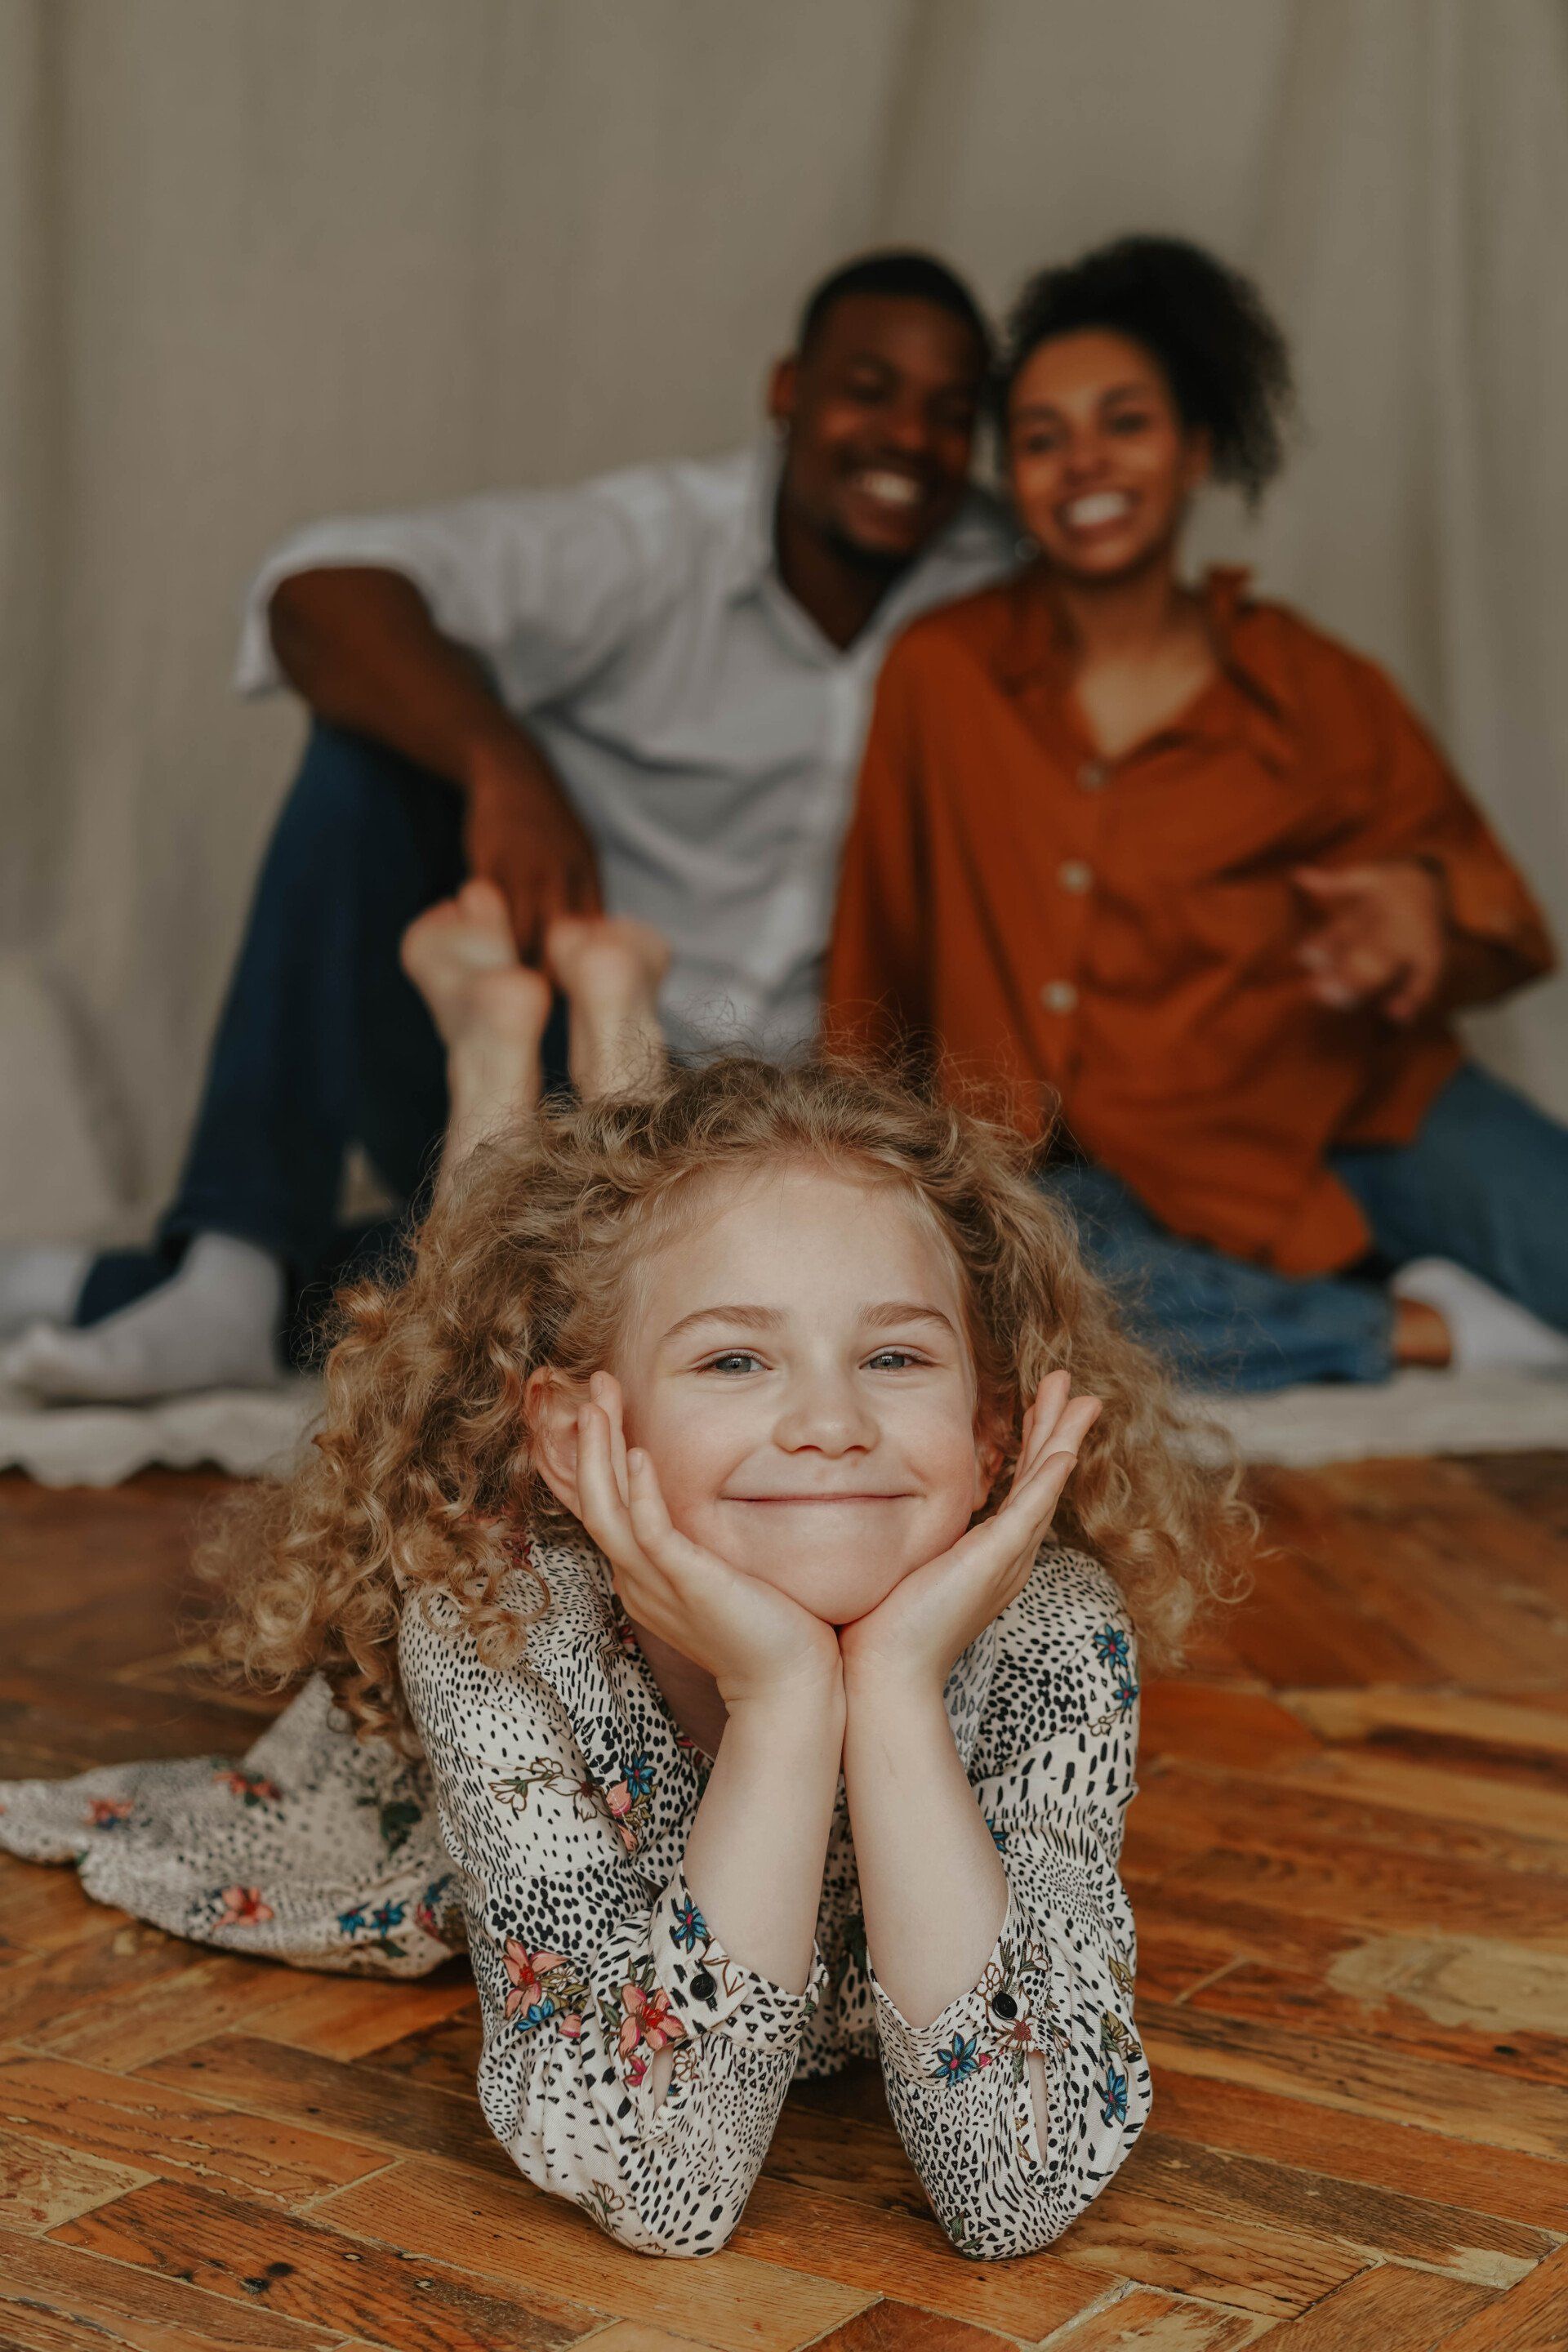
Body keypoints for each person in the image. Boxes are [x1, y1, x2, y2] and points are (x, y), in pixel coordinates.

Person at [0, 893, 1246, 2260]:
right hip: (442, 1713)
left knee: (642, 1240)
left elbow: (1014, 2194)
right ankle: (500, 1045)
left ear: (995, 1425)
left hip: (689, 1487)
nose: (831, 1423)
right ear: (588, 1436)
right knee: (486, 1318)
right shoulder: (498, 1619)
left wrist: (886, 1686)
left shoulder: (1051, 1630)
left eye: (896, 1358)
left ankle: (606, 1045)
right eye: (736, 1361)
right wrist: (781, 1704)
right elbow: (666, 2186)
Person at [1, 248, 1011, 1405]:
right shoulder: (651, 546)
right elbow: (317, 586)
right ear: (788, 390)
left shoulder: (996, 579)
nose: (908, 439)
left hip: (791, 1118)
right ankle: (231, 1262)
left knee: (527, 1287)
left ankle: (116, 1286)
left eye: (951, 412)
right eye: (869, 389)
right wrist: (506, 765)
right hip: (545, 1053)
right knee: (365, 752)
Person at [826, 235, 1566, 1392]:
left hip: (1354, 1114)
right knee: (1020, 1279)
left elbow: (1501, 915)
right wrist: (853, 1178)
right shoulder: (943, 674)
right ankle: (1414, 1332)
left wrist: (1425, 910)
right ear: (1011, 477)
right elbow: (880, 949)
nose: (1084, 463)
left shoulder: (1316, 684)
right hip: (1091, 1164)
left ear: (1194, 452)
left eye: (1124, 423)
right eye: (1041, 438)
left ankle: (1339, 1301)